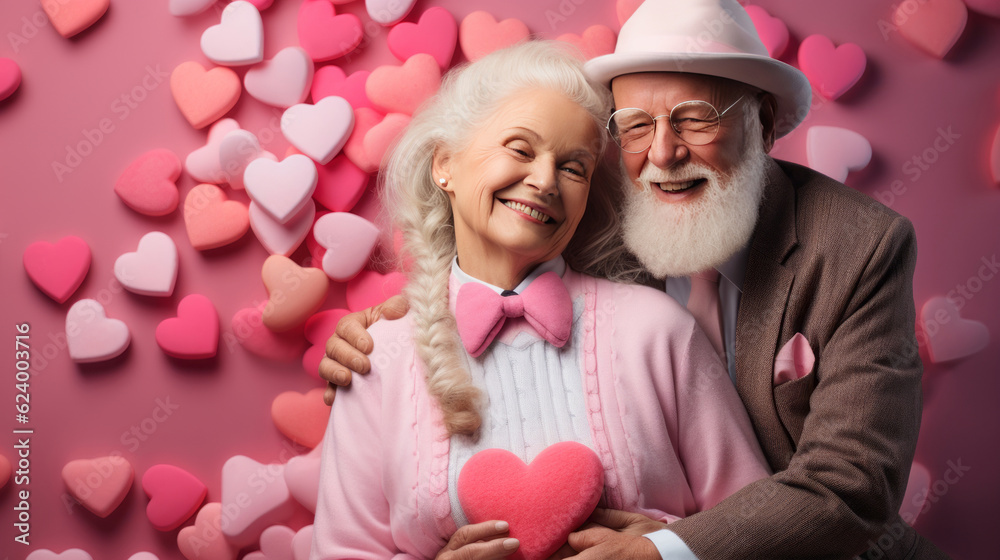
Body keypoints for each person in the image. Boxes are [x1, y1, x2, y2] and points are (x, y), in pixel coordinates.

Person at [320, 1, 950, 558]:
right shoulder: (599, 206)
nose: (664, 153)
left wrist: (664, 551)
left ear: (760, 122)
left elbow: (853, 484)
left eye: (696, 118)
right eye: (637, 126)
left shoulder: (861, 247)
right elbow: (503, 259)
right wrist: (399, 326)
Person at [310, 40, 771, 560]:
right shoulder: (378, 355)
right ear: (446, 165)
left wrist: (669, 549)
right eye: (521, 149)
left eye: (574, 168)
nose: (546, 181)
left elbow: (761, 526)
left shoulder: (657, 330)